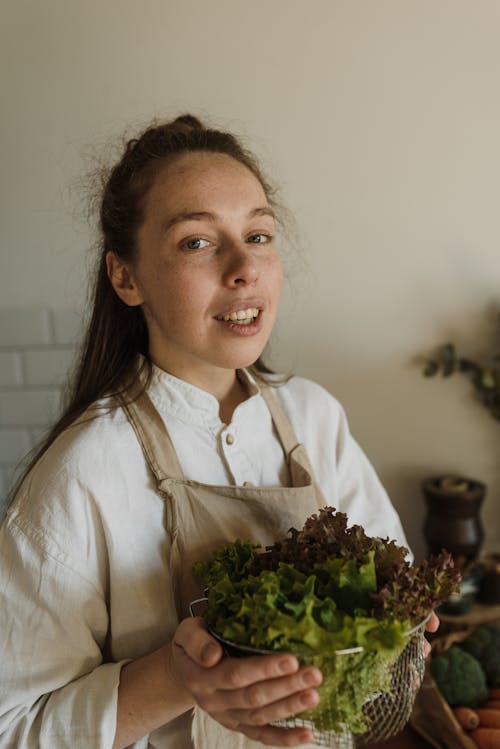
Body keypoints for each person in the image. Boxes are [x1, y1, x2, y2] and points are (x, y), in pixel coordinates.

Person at [0, 115, 437, 749]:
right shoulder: (84, 470)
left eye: (258, 234)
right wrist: (179, 679)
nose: (243, 268)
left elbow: (393, 611)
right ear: (125, 277)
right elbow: (14, 727)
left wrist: (400, 631)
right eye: (197, 243)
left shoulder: (316, 417)